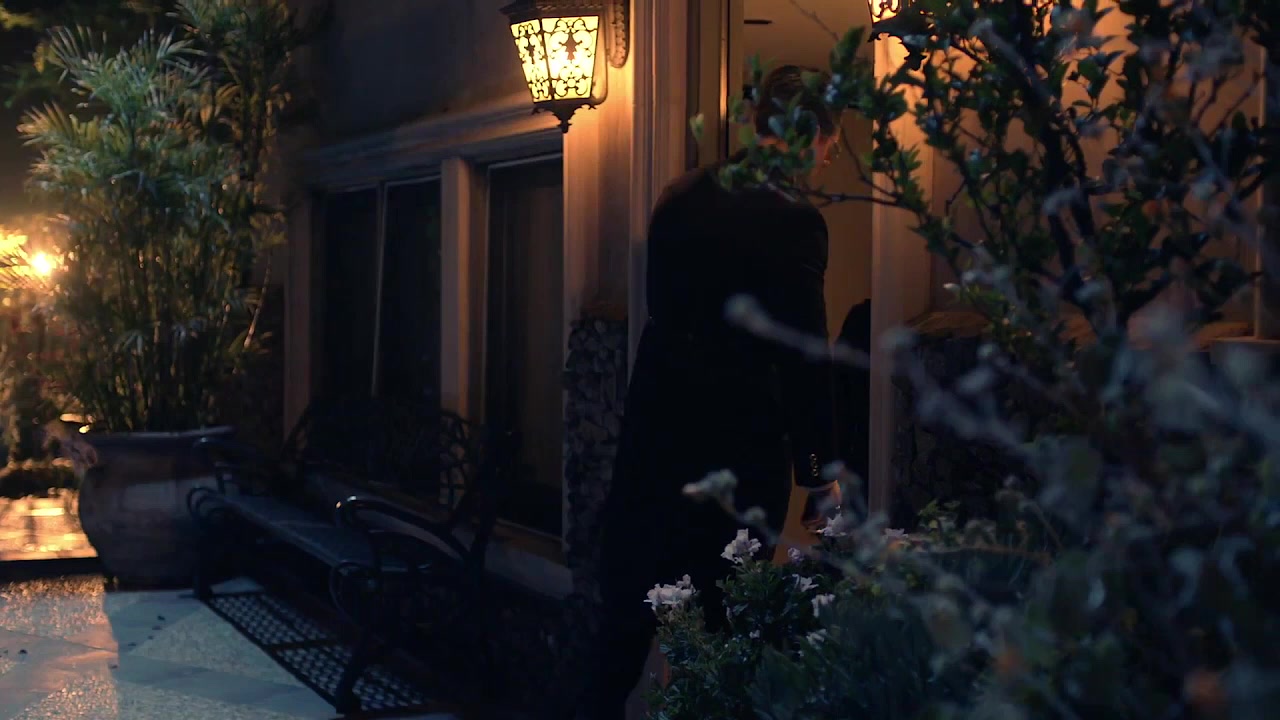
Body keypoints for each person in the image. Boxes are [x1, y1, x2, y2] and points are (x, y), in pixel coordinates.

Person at [576, 65, 845, 720]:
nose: (822, 165)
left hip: (653, 446)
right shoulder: (795, 221)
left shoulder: (680, 195)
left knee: (623, 630)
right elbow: (804, 361)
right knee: (725, 636)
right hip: (735, 458)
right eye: (827, 149)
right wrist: (818, 477)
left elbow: (662, 321)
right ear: (805, 133)